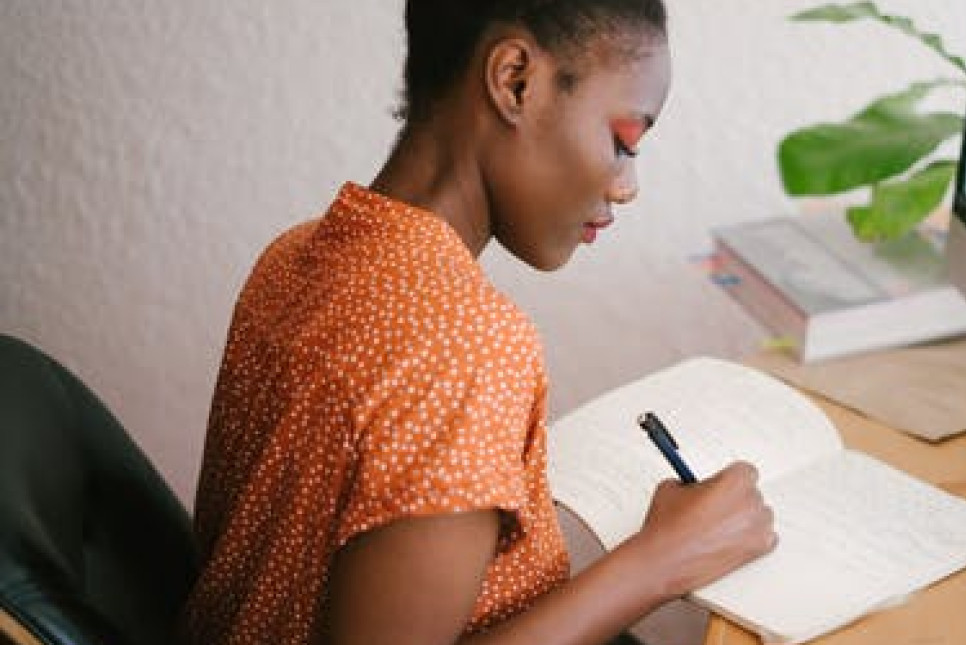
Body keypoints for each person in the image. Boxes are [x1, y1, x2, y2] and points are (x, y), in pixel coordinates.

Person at [179, 2, 778, 644]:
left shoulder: (295, 255)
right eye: (623, 141)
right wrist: (659, 562)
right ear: (515, 79)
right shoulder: (466, 344)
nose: (627, 184)